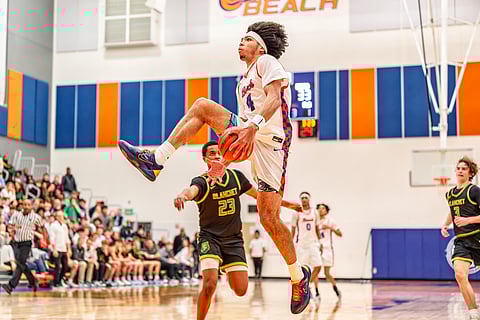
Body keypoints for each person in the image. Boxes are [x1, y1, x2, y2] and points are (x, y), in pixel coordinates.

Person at [119, 21, 311, 313]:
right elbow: (241, 135)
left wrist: (250, 128)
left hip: (272, 141)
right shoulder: (242, 79)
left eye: (247, 39)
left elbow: (273, 99)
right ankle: (157, 159)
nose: (240, 43)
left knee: (269, 219)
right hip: (251, 132)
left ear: (260, 46)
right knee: (202, 107)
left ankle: (299, 277)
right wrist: (227, 159)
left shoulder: (267, 62)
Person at [174, 141, 301, 320]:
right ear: (205, 159)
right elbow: (191, 191)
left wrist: (287, 204)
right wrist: (182, 196)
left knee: (241, 290)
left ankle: (225, 266)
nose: (217, 155)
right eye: (212, 153)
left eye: (219, 152)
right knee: (210, 284)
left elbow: (260, 195)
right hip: (210, 238)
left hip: (233, 240)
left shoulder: (236, 177)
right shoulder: (202, 181)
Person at [441, 156, 480, 320]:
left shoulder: (474, 191)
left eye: (464, 168)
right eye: (458, 168)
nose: (460, 170)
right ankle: (473, 312)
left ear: (470, 172)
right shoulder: (450, 194)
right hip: (462, 241)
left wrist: (468, 220)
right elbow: (453, 210)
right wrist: (445, 224)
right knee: (460, 275)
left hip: (478, 238)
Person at [1, 199, 42, 294]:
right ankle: (33, 280)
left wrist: (41, 237)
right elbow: (10, 226)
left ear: (31, 206)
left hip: (27, 243)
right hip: (16, 242)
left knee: (20, 262)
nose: (26, 206)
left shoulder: (35, 217)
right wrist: (12, 229)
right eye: (25, 204)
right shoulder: (16, 215)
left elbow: (41, 227)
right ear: (22, 205)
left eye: (28, 205)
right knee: (20, 264)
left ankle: (11, 286)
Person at [291, 192, 322, 305]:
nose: (304, 200)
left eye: (306, 198)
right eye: (302, 198)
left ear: (309, 199)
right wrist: (290, 244)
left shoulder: (315, 212)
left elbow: (317, 228)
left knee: (318, 267)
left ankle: (306, 286)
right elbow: (293, 230)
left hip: (313, 243)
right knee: (303, 270)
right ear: (300, 200)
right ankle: (306, 289)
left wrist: (320, 242)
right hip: (302, 245)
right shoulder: (297, 214)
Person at [317, 203, 342, 300]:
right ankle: (316, 292)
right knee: (316, 271)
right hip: (317, 248)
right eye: (319, 208)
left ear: (326, 211)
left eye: (323, 208)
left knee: (327, 273)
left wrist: (329, 228)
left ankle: (335, 289)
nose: (321, 210)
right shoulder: (314, 221)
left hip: (327, 250)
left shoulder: (330, 221)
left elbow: (340, 234)